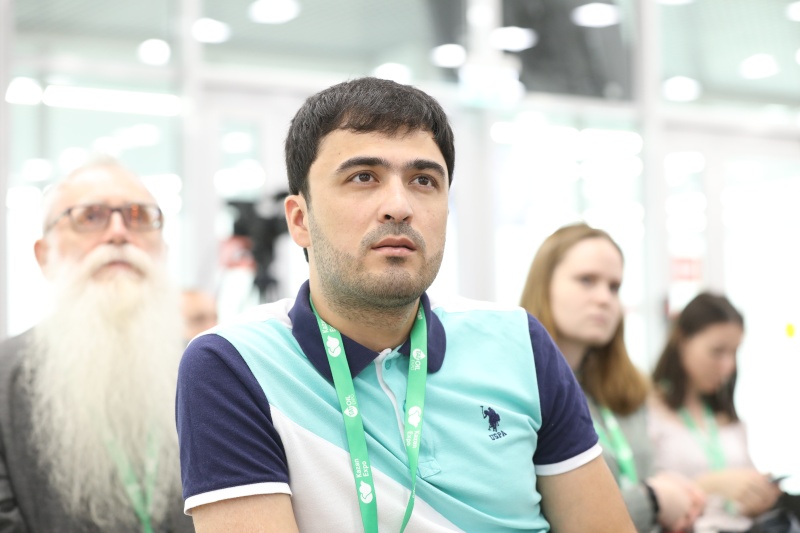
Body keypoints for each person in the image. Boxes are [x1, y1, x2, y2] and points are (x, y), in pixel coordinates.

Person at [176, 77, 635, 532]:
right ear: (300, 220)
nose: (399, 206)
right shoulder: (233, 365)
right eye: (363, 177)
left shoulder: (519, 341)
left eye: (423, 180)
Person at [0, 160, 193, 532]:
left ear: (164, 249)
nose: (119, 233)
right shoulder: (3, 379)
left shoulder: (212, 372)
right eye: (90, 217)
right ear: (44, 255)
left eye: (139, 217)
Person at [519, 223, 705, 533]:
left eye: (614, 287)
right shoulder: (519, 388)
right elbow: (544, 518)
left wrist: (673, 492)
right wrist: (653, 499)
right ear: (545, 284)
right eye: (587, 280)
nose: (605, 298)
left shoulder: (627, 389)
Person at [649, 292, 782, 532]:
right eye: (717, 351)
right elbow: (646, 497)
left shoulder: (726, 415)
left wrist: (757, 497)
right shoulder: (647, 412)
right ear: (683, 341)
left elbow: (740, 497)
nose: (728, 365)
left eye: (734, 352)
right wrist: (709, 485)